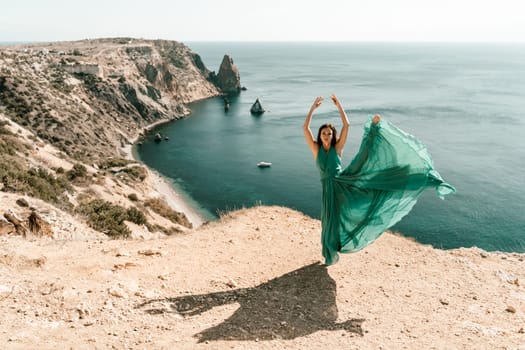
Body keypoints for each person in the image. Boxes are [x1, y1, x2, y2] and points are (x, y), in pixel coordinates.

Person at [303, 94, 455, 265]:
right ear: (320, 135)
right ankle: (329, 250)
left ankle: (423, 177)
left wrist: (339, 106)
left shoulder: (337, 148)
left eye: (329, 134)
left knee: (371, 182)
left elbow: (347, 125)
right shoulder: (316, 149)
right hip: (327, 189)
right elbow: (305, 128)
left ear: (333, 136)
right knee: (328, 221)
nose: (326, 135)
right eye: (324, 133)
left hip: (342, 186)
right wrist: (312, 109)